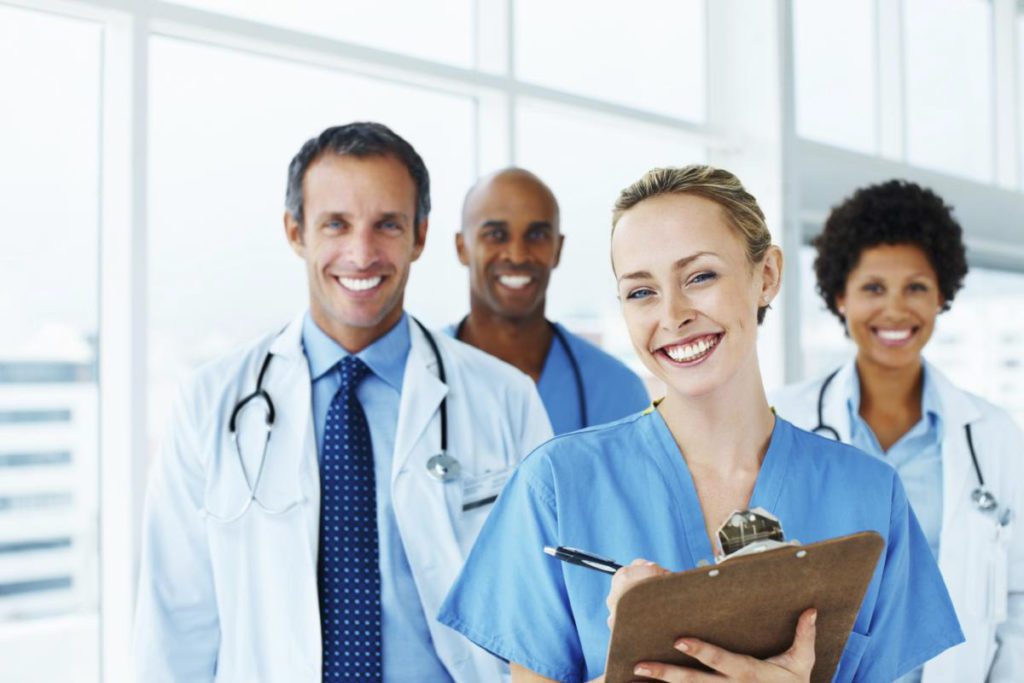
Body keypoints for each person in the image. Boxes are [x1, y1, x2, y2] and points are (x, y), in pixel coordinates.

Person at [439, 165, 963, 683]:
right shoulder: (556, 484)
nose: (673, 315)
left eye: (700, 277)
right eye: (642, 291)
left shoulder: (869, 494)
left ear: (768, 275)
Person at [133, 122, 553, 682]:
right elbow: (174, 626)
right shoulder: (211, 402)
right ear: (295, 232)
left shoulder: (505, 398)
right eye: (336, 224)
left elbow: (547, 608)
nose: (361, 253)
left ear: (420, 236)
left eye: (387, 225)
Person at [770, 180, 1023, 682]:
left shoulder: (993, 435)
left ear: (941, 296)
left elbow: (1016, 601)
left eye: (916, 287)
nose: (895, 310)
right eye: (873, 288)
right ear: (840, 296)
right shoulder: (783, 419)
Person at [448, 168, 649, 434]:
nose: (518, 256)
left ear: (558, 248)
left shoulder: (616, 389)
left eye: (536, 235)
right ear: (462, 247)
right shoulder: (416, 376)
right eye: (496, 235)